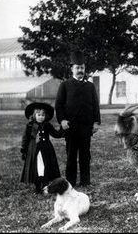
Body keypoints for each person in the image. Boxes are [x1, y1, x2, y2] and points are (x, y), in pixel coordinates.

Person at [55, 50, 101, 187]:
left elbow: (95, 105)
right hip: (70, 127)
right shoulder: (65, 85)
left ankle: (86, 181)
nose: (80, 70)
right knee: (71, 155)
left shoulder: (90, 86)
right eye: (77, 67)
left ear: (84, 68)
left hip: (86, 127)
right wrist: (62, 120)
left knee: (85, 155)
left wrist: (96, 122)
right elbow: (58, 105)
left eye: (82, 67)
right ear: (72, 69)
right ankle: (71, 182)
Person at [20, 102, 64, 194]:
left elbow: (56, 134)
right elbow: (25, 140)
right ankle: (37, 187)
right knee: (37, 168)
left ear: (46, 116)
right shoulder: (29, 126)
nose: (41, 117)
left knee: (45, 167)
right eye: (38, 115)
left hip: (46, 150)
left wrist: (62, 128)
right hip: (34, 150)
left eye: (43, 115)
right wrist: (23, 151)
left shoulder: (47, 125)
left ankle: (45, 186)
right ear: (34, 115)